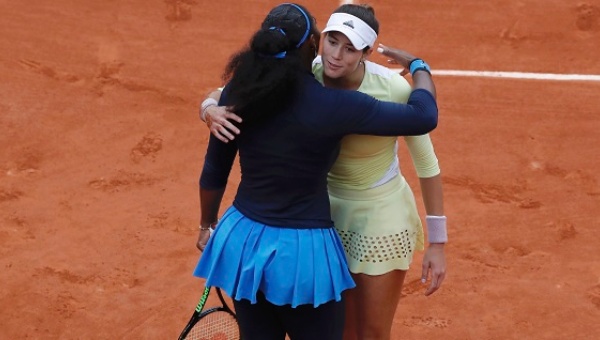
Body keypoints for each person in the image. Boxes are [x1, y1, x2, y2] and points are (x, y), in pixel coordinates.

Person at [194, 3, 440, 340]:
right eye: (328, 42)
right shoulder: (334, 106)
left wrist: (207, 224)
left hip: (243, 241)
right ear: (313, 45)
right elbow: (424, 115)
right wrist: (418, 65)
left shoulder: (243, 89)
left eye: (349, 47)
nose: (336, 55)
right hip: (303, 252)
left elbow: (213, 170)